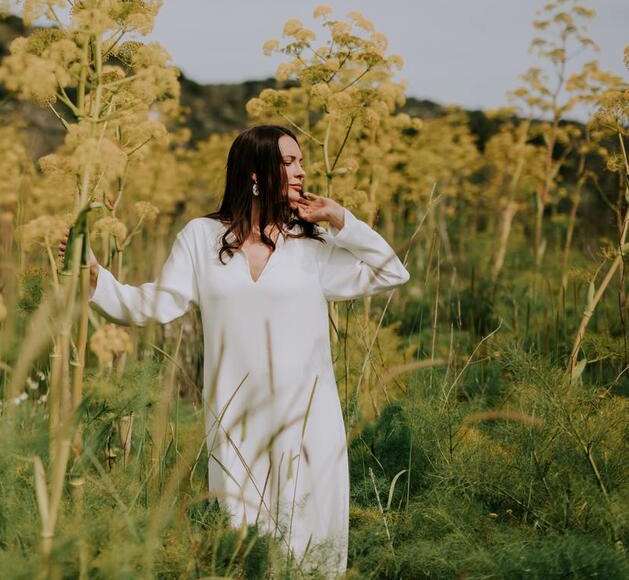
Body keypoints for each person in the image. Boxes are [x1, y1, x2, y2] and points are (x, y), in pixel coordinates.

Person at [58, 124, 410, 575]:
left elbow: (390, 272)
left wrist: (341, 219)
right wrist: (96, 280)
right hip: (235, 418)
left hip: (308, 418)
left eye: (301, 161)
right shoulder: (200, 238)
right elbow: (157, 304)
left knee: (309, 540)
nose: (301, 172)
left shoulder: (312, 245)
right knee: (244, 542)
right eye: (288, 162)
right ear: (254, 173)